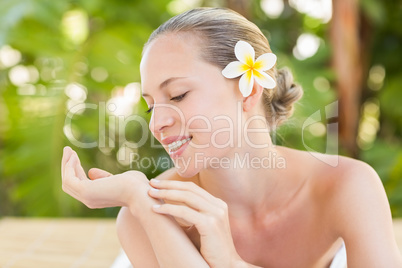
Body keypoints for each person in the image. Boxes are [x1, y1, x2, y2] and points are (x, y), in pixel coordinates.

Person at [61, 7, 402, 268]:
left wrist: (231, 263)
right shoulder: (145, 214)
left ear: (249, 89)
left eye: (178, 95)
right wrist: (140, 199)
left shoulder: (347, 187)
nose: (157, 124)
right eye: (150, 107)